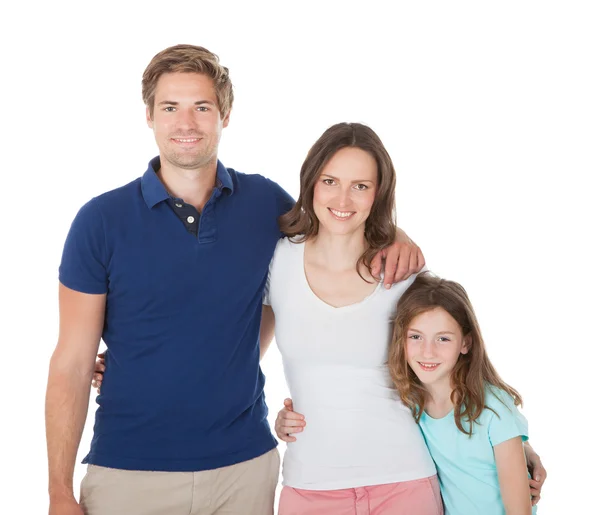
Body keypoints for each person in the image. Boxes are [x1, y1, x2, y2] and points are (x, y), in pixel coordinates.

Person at [45, 45, 422, 515]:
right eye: (171, 107)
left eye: (202, 107)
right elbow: (71, 364)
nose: (187, 123)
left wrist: (397, 235)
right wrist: (59, 490)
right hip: (129, 471)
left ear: (225, 114)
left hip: (245, 470)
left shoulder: (264, 204)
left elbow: (340, 217)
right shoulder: (99, 221)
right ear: (149, 116)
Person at [387, 273, 538, 514]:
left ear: (465, 343)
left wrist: (524, 451)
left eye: (443, 339)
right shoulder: (411, 402)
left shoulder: (493, 408)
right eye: (416, 337)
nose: (428, 352)